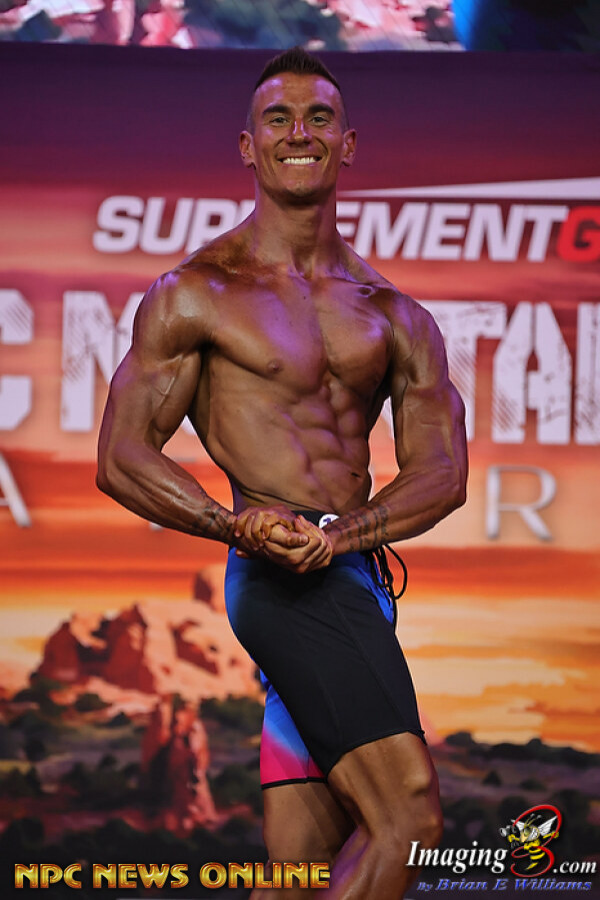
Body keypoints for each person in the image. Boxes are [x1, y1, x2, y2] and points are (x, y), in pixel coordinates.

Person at [97, 47, 467, 899]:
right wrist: (235, 526)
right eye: (278, 119)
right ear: (248, 146)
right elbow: (121, 455)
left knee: (298, 870)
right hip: (281, 585)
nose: (299, 133)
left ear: (348, 144)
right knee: (409, 820)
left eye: (319, 118)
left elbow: (443, 472)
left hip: (356, 577)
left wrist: (347, 536)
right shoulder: (198, 292)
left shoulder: (394, 313)